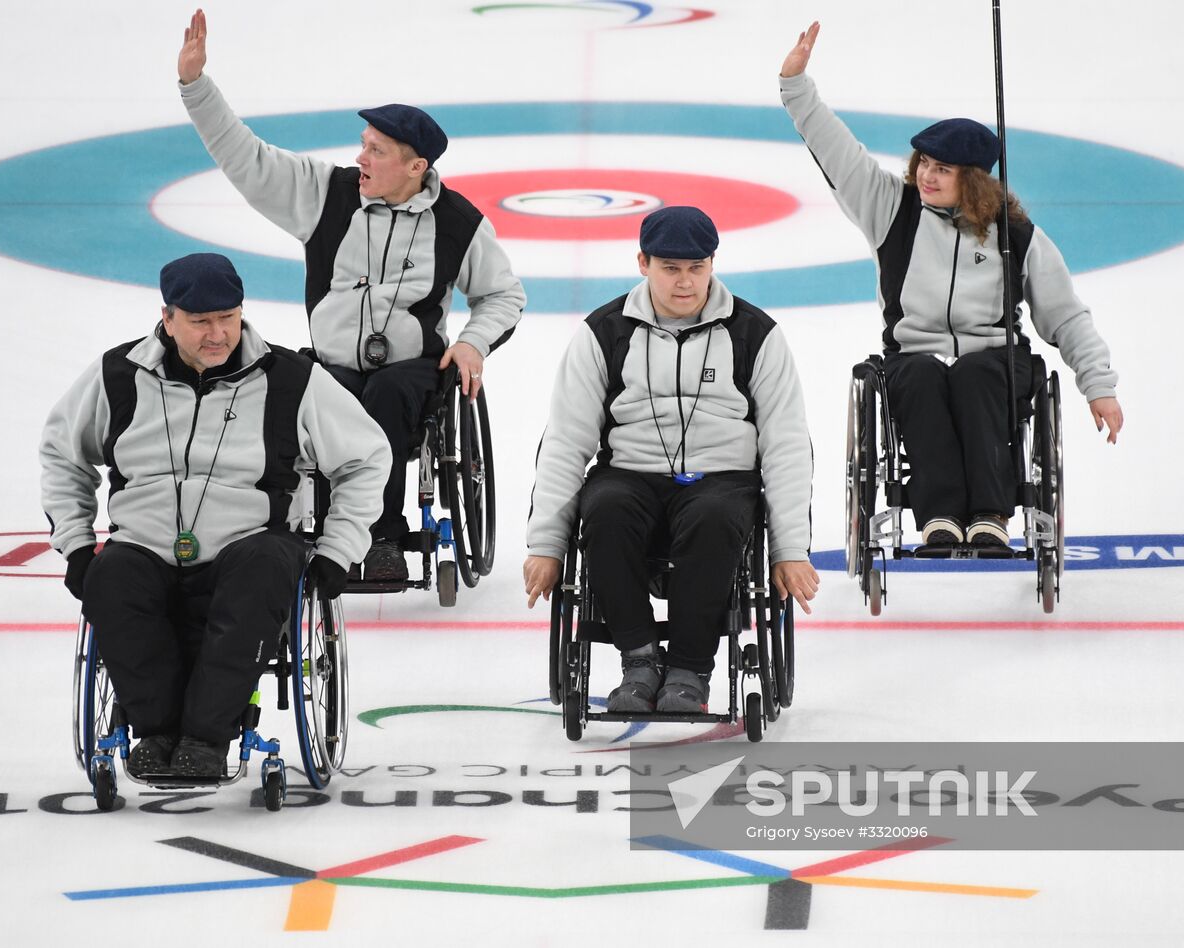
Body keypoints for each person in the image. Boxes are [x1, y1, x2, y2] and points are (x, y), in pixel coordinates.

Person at [175, 9, 526, 582]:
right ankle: (287, 525)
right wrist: (196, 88)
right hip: (331, 363)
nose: (360, 157)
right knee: (309, 393)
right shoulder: (326, 195)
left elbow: (503, 296)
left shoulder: (458, 221)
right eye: (363, 145)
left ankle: (380, 535)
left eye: (377, 151)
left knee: (386, 394)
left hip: (411, 371)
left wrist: (473, 344)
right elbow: (247, 159)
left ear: (417, 166)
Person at [40, 253, 390, 779]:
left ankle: (205, 738)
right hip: (145, 544)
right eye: (201, 321)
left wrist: (339, 549)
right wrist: (73, 543)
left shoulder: (291, 379)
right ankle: (157, 732)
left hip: (248, 543)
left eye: (227, 317)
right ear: (168, 318)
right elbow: (62, 453)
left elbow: (367, 457)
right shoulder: (118, 375)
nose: (217, 333)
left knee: (264, 567)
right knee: (109, 576)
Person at [780, 20, 1124, 548]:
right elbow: (838, 154)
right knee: (919, 377)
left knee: (976, 376)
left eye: (943, 169)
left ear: (975, 179)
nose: (927, 176)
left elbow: (1065, 314)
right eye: (924, 164)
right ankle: (939, 516)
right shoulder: (892, 210)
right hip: (912, 356)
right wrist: (797, 86)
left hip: (994, 359)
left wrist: (1098, 386)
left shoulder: (1015, 235)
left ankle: (990, 514)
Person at [523, 207, 819, 714]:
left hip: (722, 479)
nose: (685, 282)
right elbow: (567, 442)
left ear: (712, 264)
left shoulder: (755, 334)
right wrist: (547, 545)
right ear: (643, 262)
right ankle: (638, 660)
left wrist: (789, 549)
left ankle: (688, 669)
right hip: (630, 475)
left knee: (714, 517)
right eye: (670, 268)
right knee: (606, 510)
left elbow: (787, 443)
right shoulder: (604, 332)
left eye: (697, 268)